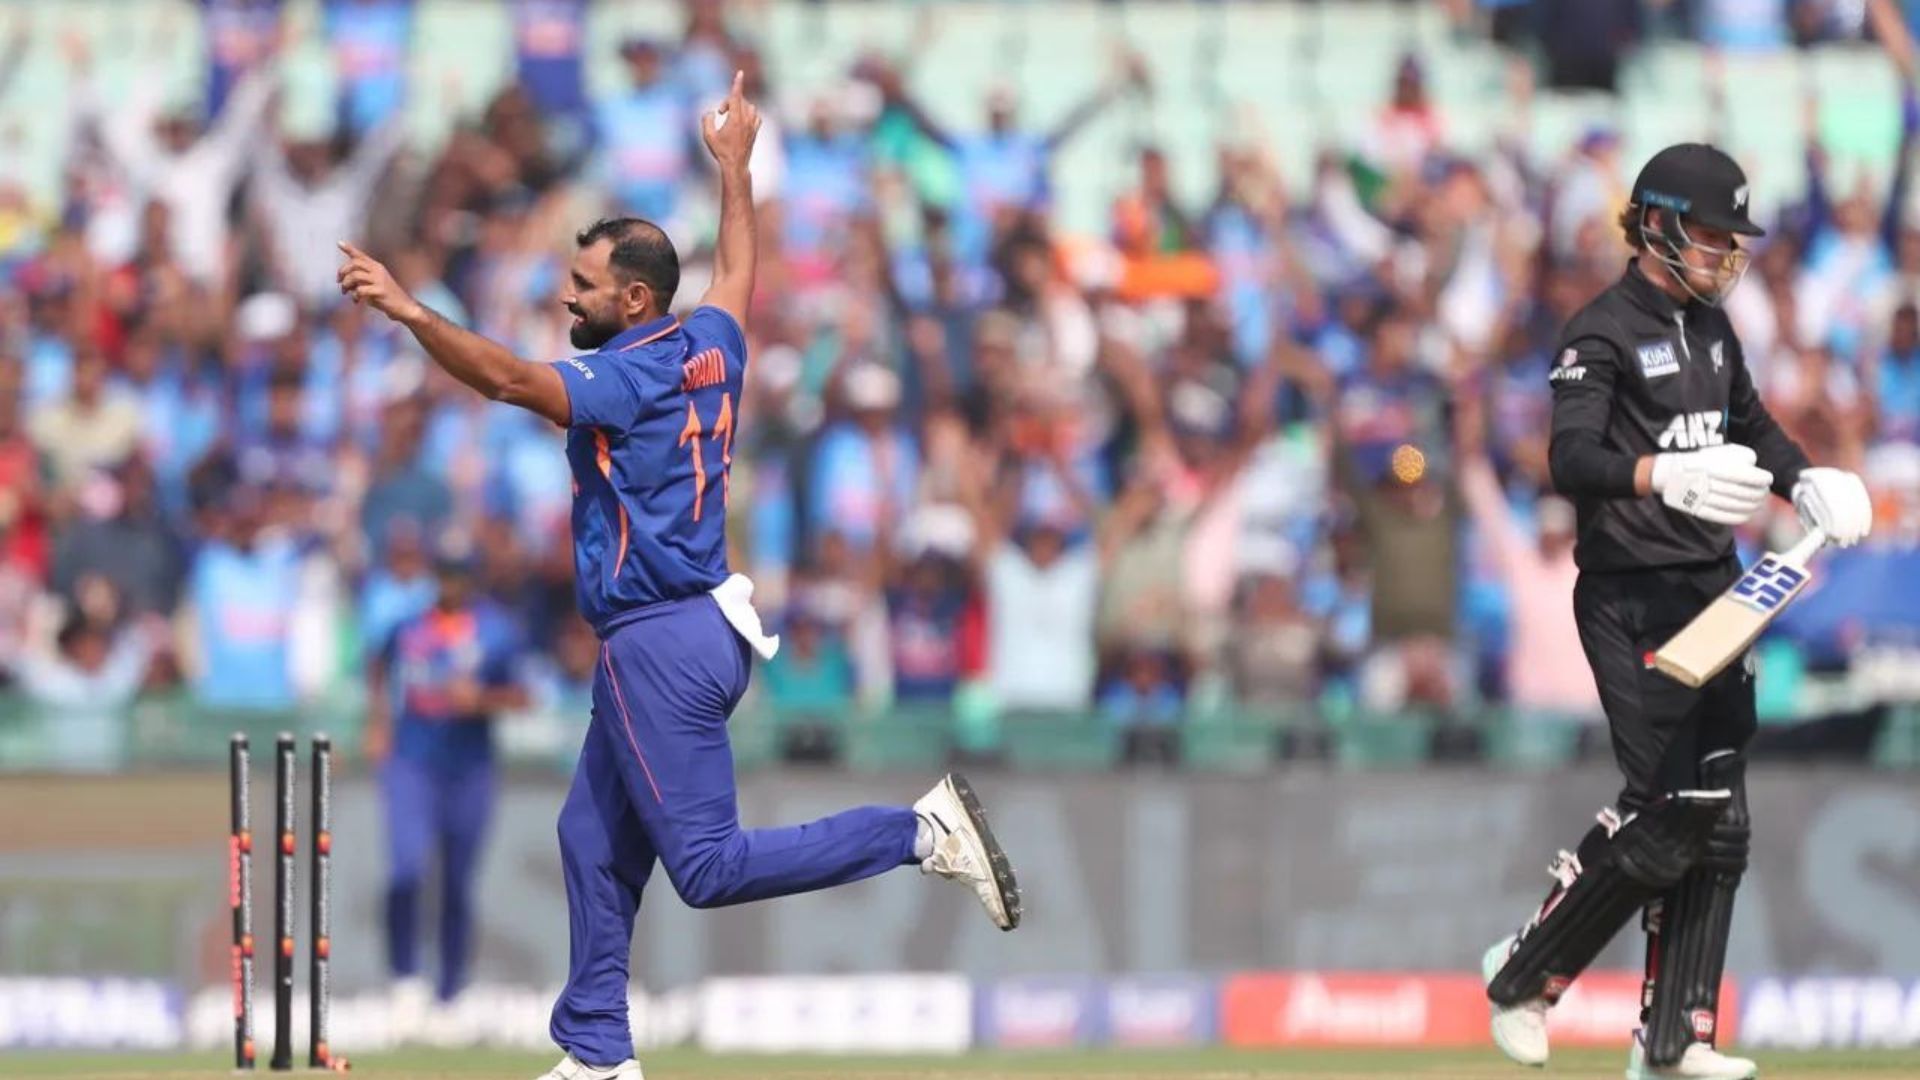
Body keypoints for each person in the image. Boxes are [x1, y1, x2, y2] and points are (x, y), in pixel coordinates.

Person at [337, 72, 1020, 1080]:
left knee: (706, 867)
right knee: (588, 835)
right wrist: (734, 170)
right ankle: (598, 1054)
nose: (568, 297)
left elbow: (505, 379)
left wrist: (407, 308)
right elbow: (740, 270)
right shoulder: (709, 343)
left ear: (636, 299)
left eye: (584, 286)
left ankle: (918, 832)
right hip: (695, 624)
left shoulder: (626, 374)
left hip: (658, 637)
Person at [1481, 144, 1876, 1080]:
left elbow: (1750, 423)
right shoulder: (1601, 333)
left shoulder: (1714, 328)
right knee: (1670, 808)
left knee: (1722, 822)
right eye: (1708, 233)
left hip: (1716, 593)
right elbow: (1568, 461)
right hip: (1628, 595)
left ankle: (1674, 1042)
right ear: (1655, 223)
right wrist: (1662, 473)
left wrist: (1804, 478)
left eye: (1730, 237)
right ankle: (1523, 975)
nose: (1723, 252)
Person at [366, 547, 525, 1012]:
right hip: (413, 761)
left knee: (457, 879)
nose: (450, 586)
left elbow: (520, 695)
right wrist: (377, 724)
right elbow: (378, 669)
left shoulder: (496, 632)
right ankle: (404, 977)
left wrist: (480, 698)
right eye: (444, 576)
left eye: (459, 576)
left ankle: (451, 988)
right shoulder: (409, 628)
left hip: (470, 766)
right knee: (407, 868)